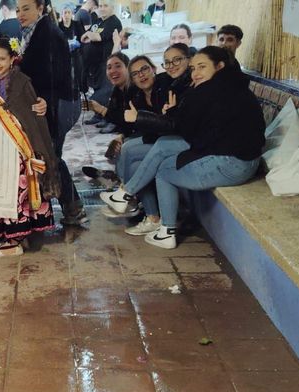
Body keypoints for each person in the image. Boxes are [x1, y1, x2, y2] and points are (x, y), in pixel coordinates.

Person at [105, 46, 265, 249]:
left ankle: (155, 221)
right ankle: (134, 202)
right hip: (231, 153)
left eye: (202, 67)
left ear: (220, 66)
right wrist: (169, 114)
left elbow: (180, 126)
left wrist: (140, 117)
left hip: (233, 162)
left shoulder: (210, 89)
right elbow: (190, 124)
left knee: (163, 170)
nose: (195, 72)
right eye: (193, 68)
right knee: (157, 152)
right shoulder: (226, 85)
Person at [0, 37, 60, 257]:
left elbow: (31, 115)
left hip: (16, 146)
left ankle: (15, 240)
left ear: (12, 58)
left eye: (2, 58)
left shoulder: (22, 81)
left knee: (15, 189)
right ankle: (9, 236)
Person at [104, 44, 191, 233]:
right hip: (164, 139)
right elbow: (137, 125)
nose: (141, 75)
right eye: (135, 73)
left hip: (177, 141)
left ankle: (125, 195)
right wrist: (125, 135)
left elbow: (171, 124)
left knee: (129, 150)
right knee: (131, 157)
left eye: (144, 69)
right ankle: (152, 216)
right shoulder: (137, 95)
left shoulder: (169, 84)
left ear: (153, 69)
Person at [17, 0, 86, 227]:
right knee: (50, 154)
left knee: (51, 155)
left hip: (58, 103)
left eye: (26, 8)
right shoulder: (36, 31)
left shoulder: (47, 33)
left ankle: (73, 206)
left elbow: (53, 76)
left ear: (40, 8)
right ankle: (72, 206)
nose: (20, 13)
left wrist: (48, 109)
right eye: (18, 9)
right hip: (54, 101)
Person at [79, 0, 122, 123]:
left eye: (106, 6)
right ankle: (98, 115)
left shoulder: (114, 22)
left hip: (106, 61)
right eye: (101, 6)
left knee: (105, 92)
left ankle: (106, 117)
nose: (102, 8)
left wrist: (88, 34)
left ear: (112, 8)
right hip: (94, 64)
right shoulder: (99, 21)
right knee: (98, 90)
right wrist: (89, 35)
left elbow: (98, 37)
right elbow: (90, 37)